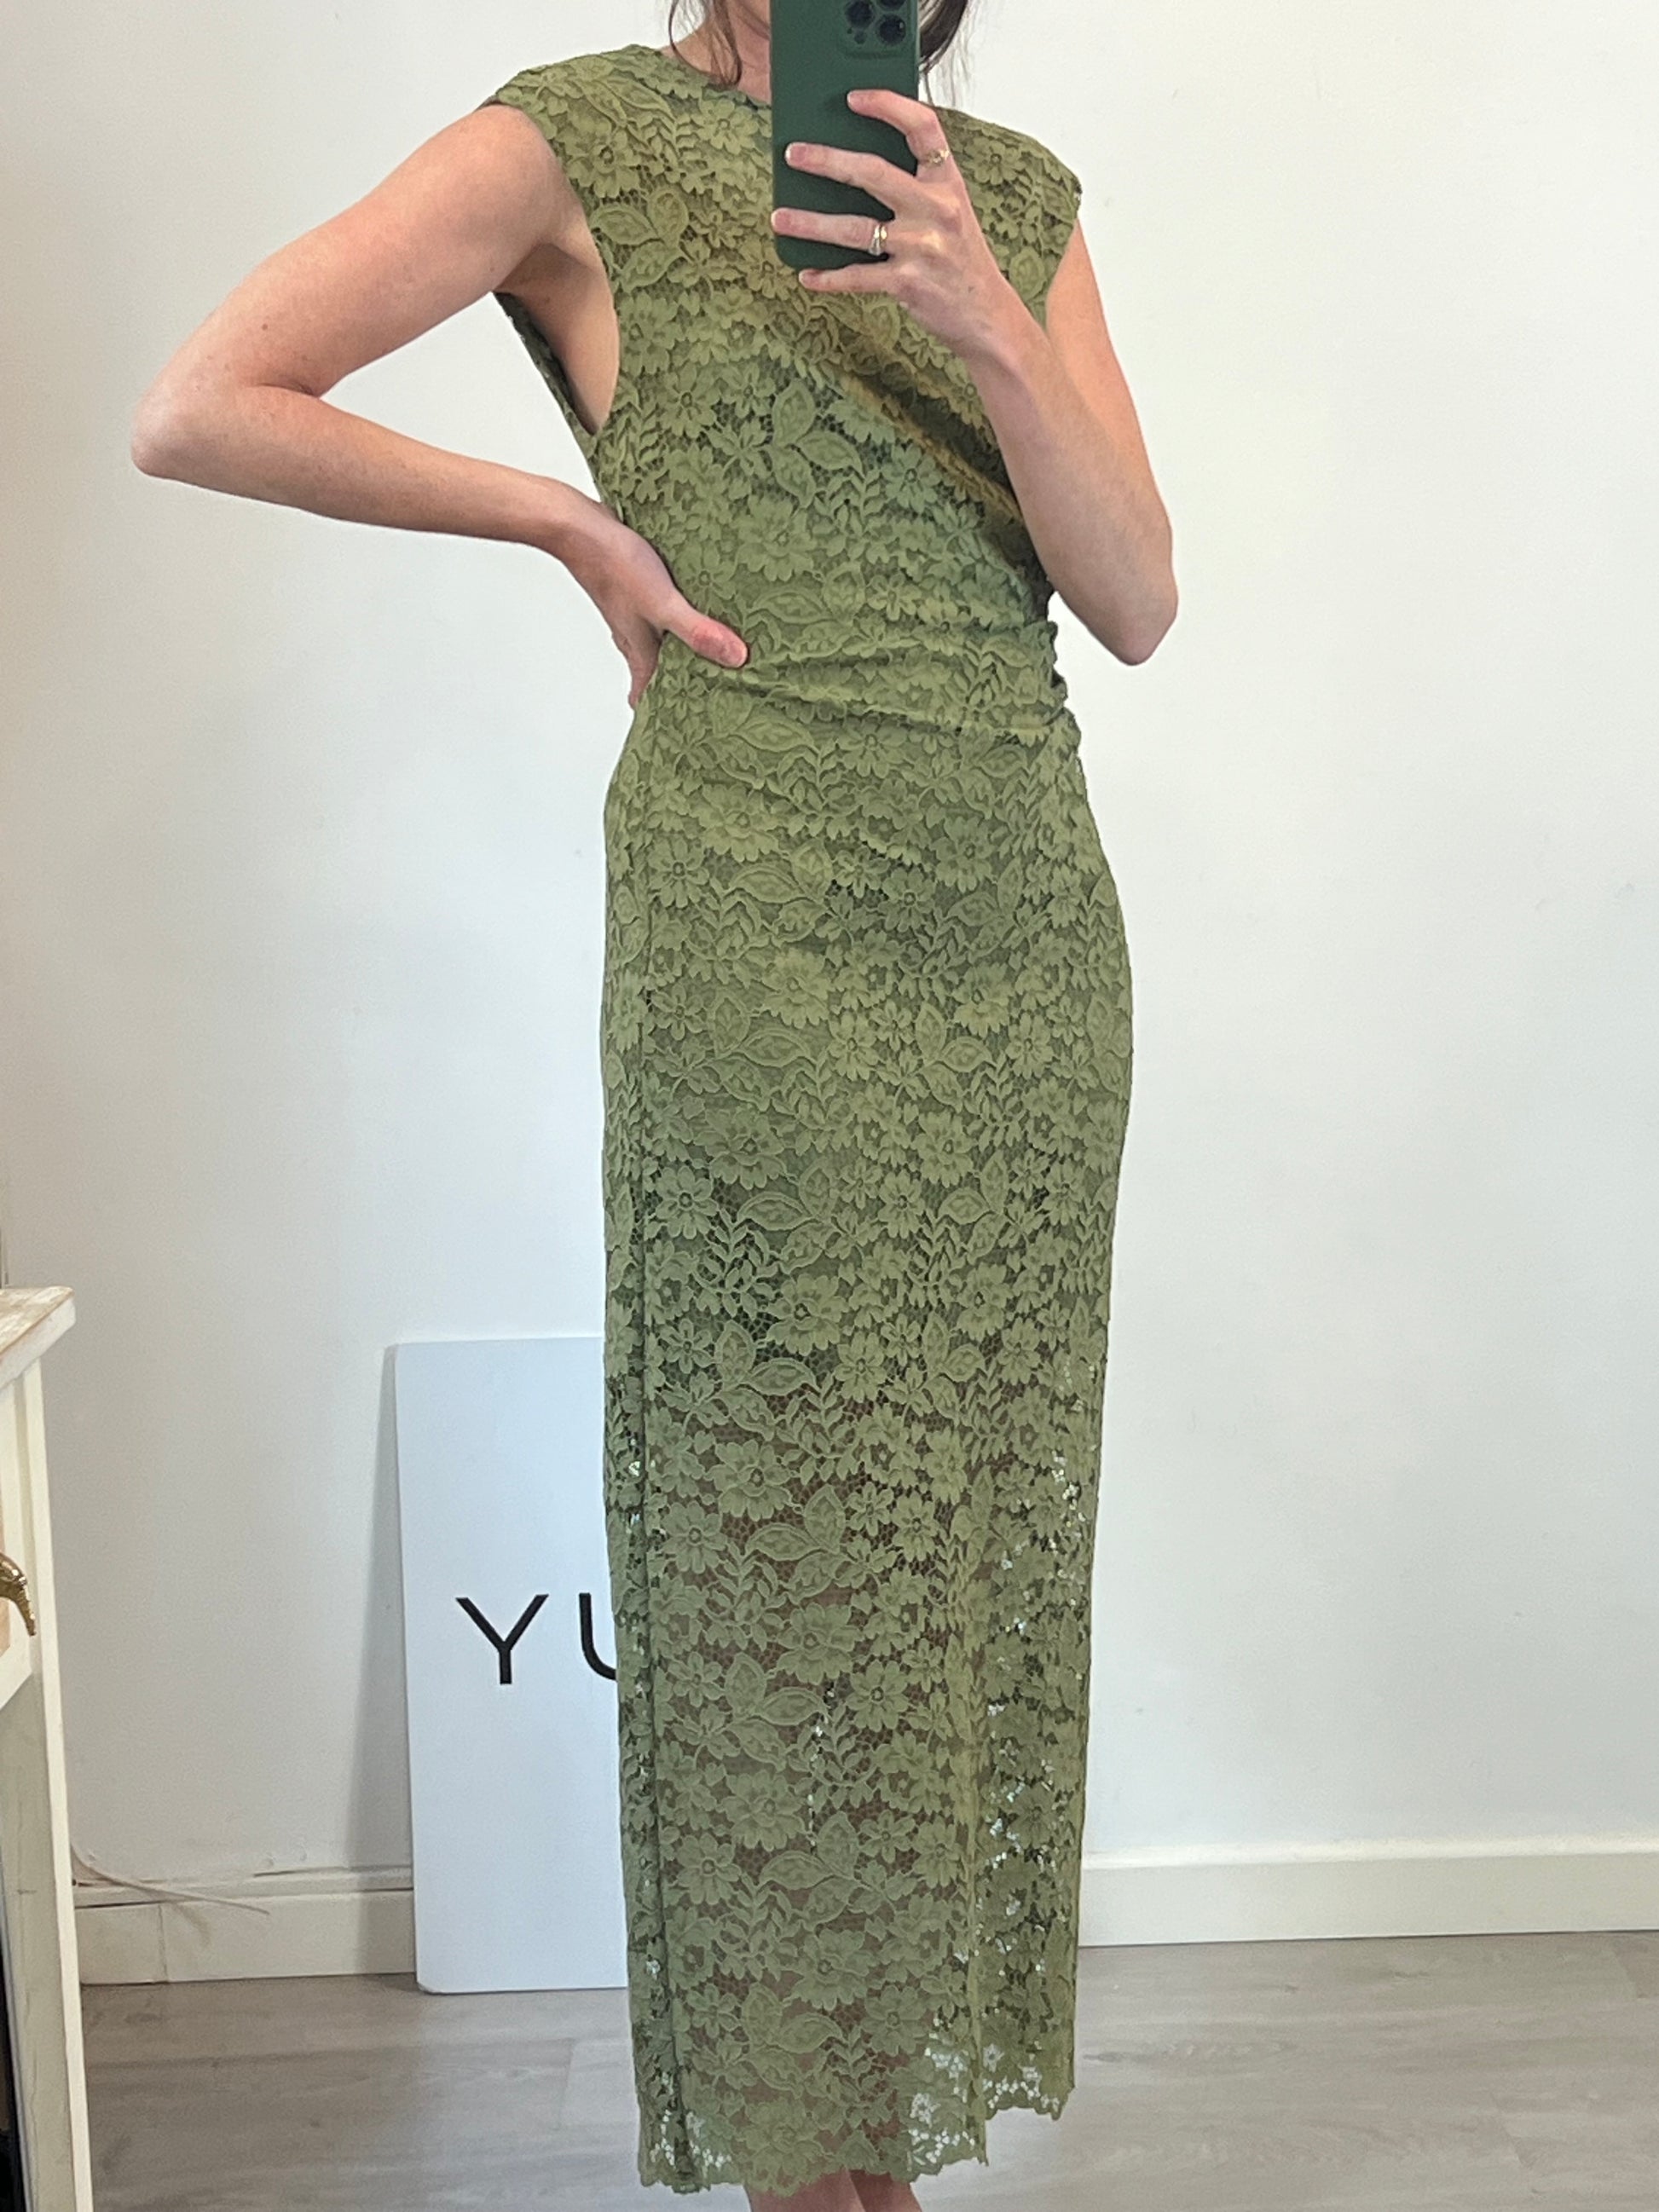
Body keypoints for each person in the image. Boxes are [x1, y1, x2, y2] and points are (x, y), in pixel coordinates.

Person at [131, 3, 1176, 2205]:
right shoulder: (574, 142)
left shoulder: (1012, 201)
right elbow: (203, 399)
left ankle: (876, 2141)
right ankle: (817, 2161)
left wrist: (987, 320)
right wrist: (554, 516)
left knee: (953, 1557)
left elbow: (1136, 598)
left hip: (1017, 941)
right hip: (757, 928)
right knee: (781, 1558)